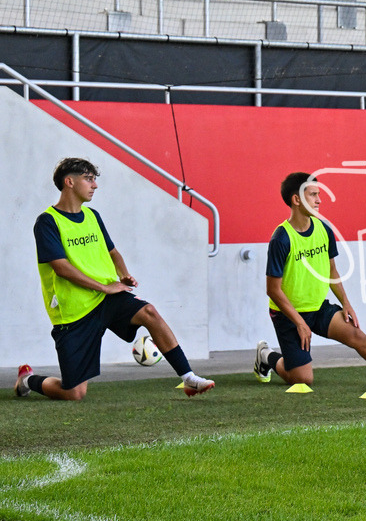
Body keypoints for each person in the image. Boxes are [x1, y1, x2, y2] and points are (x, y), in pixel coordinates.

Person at [16, 157, 216, 400]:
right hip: (73, 312)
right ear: (69, 182)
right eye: (88, 179)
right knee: (74, 393)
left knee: (149, 312)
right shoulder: (47, 222)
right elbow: (61, 268)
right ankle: (27, 380)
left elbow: (113, 253)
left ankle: (189, 378)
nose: (95, 185)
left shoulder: (93, 216)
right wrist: (105, 287)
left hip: (106, 299)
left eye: (94, 179)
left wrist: (123, 275)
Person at [254, 172, 366, 388]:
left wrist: (346, 303)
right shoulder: (281, 238)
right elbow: (273, 290)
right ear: (296, 199)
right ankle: (266, 355)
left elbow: (332, 271)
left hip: (318, 309)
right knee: (302, 378)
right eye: (313, 195)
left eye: (318, 194)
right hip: (288, 315)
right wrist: (299, 322)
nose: (319, 200)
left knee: (356, 334)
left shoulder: (324, 229)